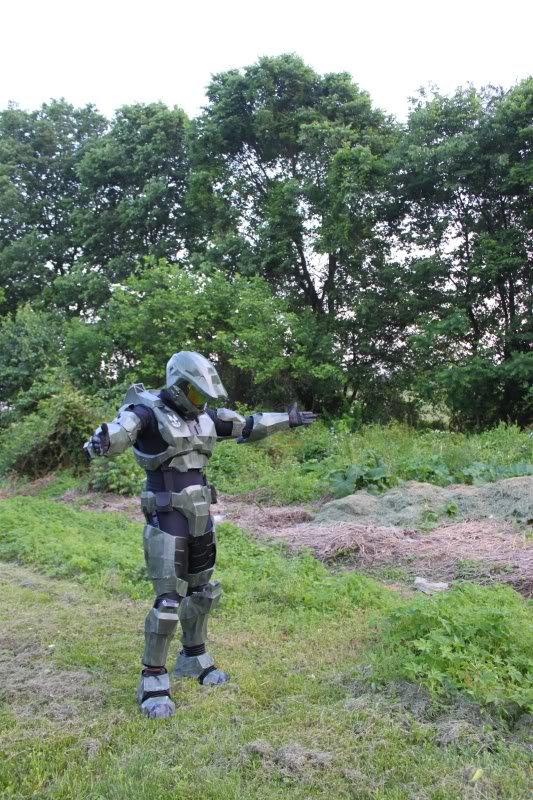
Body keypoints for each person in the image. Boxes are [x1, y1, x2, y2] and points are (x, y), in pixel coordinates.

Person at [84, 351, 316, 718]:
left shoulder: (205, 417)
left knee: (203, 591)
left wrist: (286, 419)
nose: (199, 402)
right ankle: (153, 677)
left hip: (200, 512)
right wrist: (102, 440)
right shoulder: (146, 412)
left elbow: (248, 425)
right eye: (194, 393)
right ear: (178, 386)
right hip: (167, 513)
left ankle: (193, 657)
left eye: (203, 395)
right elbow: (118, 433)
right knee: (168, 601)